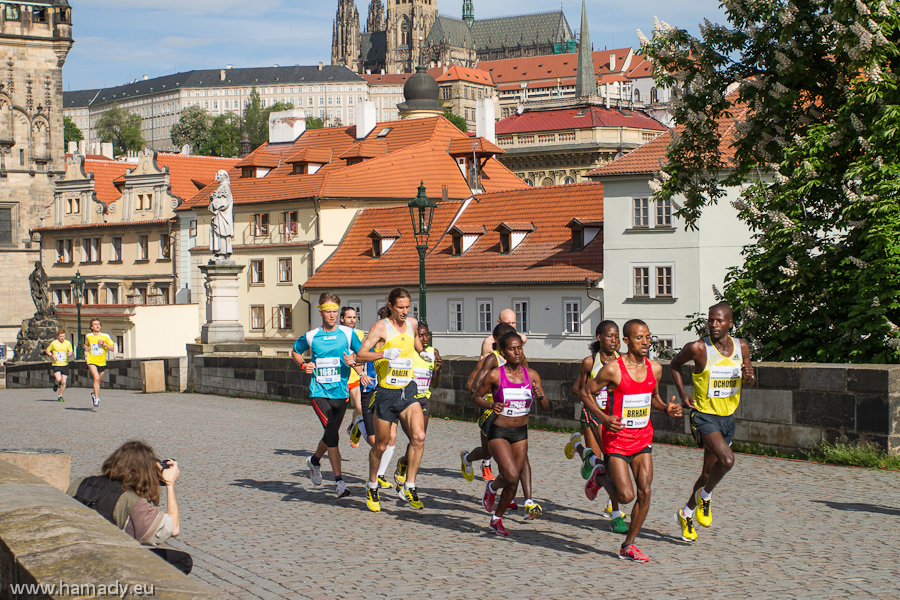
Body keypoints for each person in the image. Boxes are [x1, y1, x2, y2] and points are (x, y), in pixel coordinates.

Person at [578, 319, 682, 562]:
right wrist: (603, 418)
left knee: (644, 492)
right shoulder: (613, 369)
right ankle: (600, 476)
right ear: (626, 341)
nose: (645, 342)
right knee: (626, 497)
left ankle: (629, 545)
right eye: (639, 338)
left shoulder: (655, 368)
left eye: (648, 337)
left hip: (642, 438)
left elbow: (653, 398)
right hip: (616, 440)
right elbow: (585, 393)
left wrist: (666, 408)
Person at [670, 302, 755, 542]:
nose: (713, 325)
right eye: (710, 320)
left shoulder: (742, 346)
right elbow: (674, 364)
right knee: (727, 461)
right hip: (703, 416)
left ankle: (686, 513)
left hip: (727, 417)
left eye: (719, 321)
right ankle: (705, 497)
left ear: (730, 323)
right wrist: (684, 393)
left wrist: (749, 377)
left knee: (708, 472)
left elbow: (749, 381)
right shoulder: (698, 348)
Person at [68, 440, 191, 574]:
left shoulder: (82, 483)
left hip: (73, 549)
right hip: (105, 560)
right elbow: (173, 529)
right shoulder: (132, 500)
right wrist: (169, 484)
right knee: (183, 561)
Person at [356, 288, 427, 512]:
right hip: (386, 392)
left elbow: (414, 341)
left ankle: (410, 485)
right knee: (381, 445)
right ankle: (372, 484)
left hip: (407, 388)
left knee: (419, 436)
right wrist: (383, 354)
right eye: (400, 307)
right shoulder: (380, 327)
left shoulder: (413, 323)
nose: (405, 311)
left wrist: (422, 352)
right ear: (390, 306)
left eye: (408, 307)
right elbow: (360, 354)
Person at [462, 322, 541, 519]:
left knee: (521, 462)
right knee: (491, 454)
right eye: (510, 345)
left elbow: (530, 385)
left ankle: (527, 500)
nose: (516, 350)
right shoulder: (492, 360)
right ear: (499, 344)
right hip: (492, 413)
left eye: (518, 346)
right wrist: (493, 399)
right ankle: (470, 460)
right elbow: (474, 387)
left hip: (518, 424)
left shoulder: (523, 364)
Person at [291, 293, 362, 499]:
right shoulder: (312, 336)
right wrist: (303, 365)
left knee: (330, 434)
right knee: (332, 432)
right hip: (319, 392)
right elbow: (295, 351)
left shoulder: (348, 334)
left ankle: (314, 461)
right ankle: (339, 482)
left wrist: (355, 361)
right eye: (328, 311)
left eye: (335, 311)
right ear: (320, 311)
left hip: (340, 392)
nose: (332, 315)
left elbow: (362, 354)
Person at [566, 321, 628, 534]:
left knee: (606, 464)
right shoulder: (589, 363)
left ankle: (579, 449)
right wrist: (594, 394)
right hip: (593, 415)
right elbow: (578, 388)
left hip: (616, 418)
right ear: (599, 337)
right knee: (609, 463)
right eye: (610, 336)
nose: (614, 340)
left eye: (617, 337)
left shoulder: (624, 361)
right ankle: (616, 515)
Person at [393, 323, 442, 482]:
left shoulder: (432, 353)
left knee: (418, 440)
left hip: (424, 401)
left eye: (427, 335)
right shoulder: (409, 352)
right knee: (414, 439)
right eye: (420, 335)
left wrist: (437, 370)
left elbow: (435, 384)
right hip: (408, 401)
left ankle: (404, 463)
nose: (425, 338)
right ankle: (409, 479)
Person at [341, 306, 368, 449]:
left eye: (354, 317)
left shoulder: (359, 334)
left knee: (360, 407)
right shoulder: (337, 333)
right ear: (342, 319)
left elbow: (362, 353)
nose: (352, 320)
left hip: (354, 376)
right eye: (349, 317)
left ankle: (353, 427)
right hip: (339, 377)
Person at [84, 319, 114, 408]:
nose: (97, 326)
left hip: (101, 361)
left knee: (99, 380)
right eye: (95, 324)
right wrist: (86, 348)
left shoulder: (105, 336)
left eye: (98, 324)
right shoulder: (88, 336)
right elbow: (86, 344)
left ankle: (94, 394)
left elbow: (112, 348)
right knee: (96, 378)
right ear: (91, 327)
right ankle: (97, 398)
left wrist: (104, 343)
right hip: (91, 360)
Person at [46, 328, 73, 402]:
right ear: (58, 336)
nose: (62, 338)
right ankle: (55, 384)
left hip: (65, 364)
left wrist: (69, 353)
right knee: (58, 379)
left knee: (64, 381)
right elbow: (47, 351)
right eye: (61, 336)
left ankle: (60, 395)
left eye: (63, 336)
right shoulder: (54, 343)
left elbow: (70, 351)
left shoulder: (68, 343)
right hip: (56, 364)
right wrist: (52, 356)